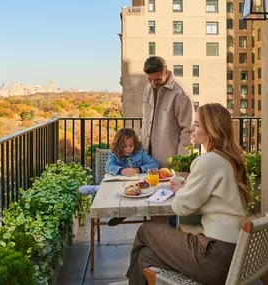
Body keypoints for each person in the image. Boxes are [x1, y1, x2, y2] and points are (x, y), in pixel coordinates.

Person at [126, 103, 251, 285]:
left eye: (198, 124)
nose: (192, 128)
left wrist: (182, 191)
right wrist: (189, 187)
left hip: (214, 258)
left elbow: (181, 207)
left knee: (145, 231)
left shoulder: (209, 161)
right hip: (233, 255)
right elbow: (216, 197)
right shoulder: (231, 159)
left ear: (212, 130)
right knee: (146, 256)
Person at [140, 56, 194, 229]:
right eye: (149, 79)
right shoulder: (148, 88)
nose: (152, 83)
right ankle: (154, 240)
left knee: (169, 206)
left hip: (168, 162)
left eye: (156, 79)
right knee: (150, 202)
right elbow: (146, 120)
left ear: (166, 71)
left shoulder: (180, 94)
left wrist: (179, 163)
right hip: (148, 160)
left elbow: (188, 131)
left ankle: (171, 244)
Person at [105, 128, 159, 226]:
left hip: (137, 184)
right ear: (118, 145)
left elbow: (154, 164)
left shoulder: (140, 152)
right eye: (124, 146)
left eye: (131, 146)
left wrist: (138, 169)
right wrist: (122, 170)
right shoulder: (113, 153)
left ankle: (124, 214)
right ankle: (123, 212)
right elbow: (108, 167)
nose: (128, 149)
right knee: (119, 197)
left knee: (141, 193)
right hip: (119, 186)